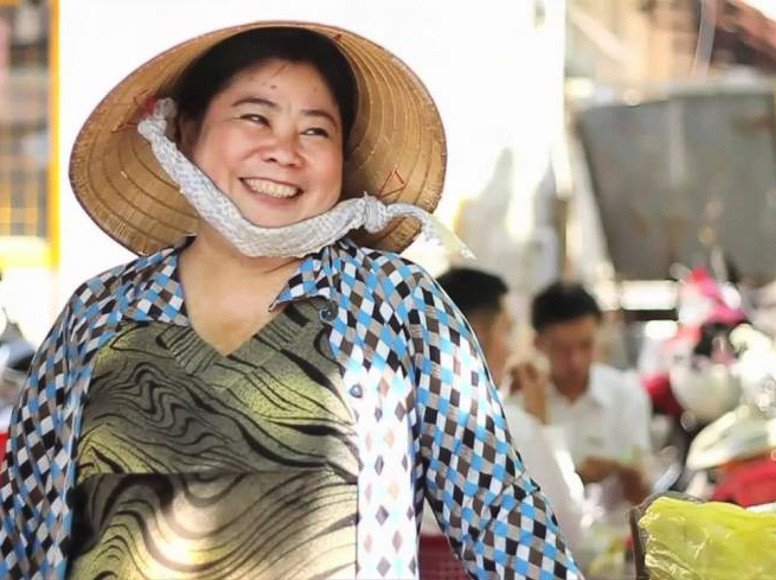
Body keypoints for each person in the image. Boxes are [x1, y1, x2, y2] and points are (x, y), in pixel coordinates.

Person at [0, 23, 580, 579]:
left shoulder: (401, 306)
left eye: (315, 130)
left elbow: (500, 516)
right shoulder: (100, 313)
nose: (284, 151)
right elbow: (20, 525)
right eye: (255, 117)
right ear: (183, 133)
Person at [435, 267, 585, 558]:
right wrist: (541, 423)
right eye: (507, 330)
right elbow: (569, 531)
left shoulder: (397, 417)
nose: (511, 349)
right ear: (473, 335)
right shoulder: (508, 428)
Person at [530, 282, 652, 508]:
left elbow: (642, 489)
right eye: (562, 349)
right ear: (538, 343)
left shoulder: (627, 396)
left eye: (585, 345)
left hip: (617, 534)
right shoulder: (524, 404)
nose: (575, 360)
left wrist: (623, 469)